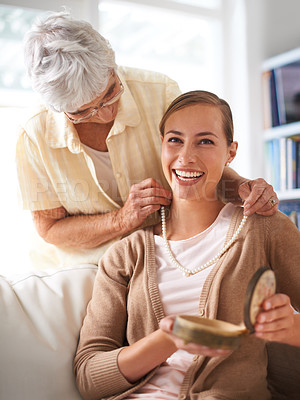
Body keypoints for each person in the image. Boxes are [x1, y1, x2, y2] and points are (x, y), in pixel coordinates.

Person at [74, 91, 300, 400]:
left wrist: (293, 329)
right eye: (175, 140)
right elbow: (89, 377)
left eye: (205, 141)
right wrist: (169, 338)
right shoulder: (125, 256)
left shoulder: (263, 228)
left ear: (231, 152)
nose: (186, 157)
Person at [16, 11, 278, 270]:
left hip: (163, 254)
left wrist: (243, 187)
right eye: (84, 112)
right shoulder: (34, 136)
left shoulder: (160, 92)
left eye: (111, 91)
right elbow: (49, 228)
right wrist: (122, 220)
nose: (107, 112)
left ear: (112, 65)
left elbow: (196, 163)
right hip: (84, 268)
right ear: (59, 108)